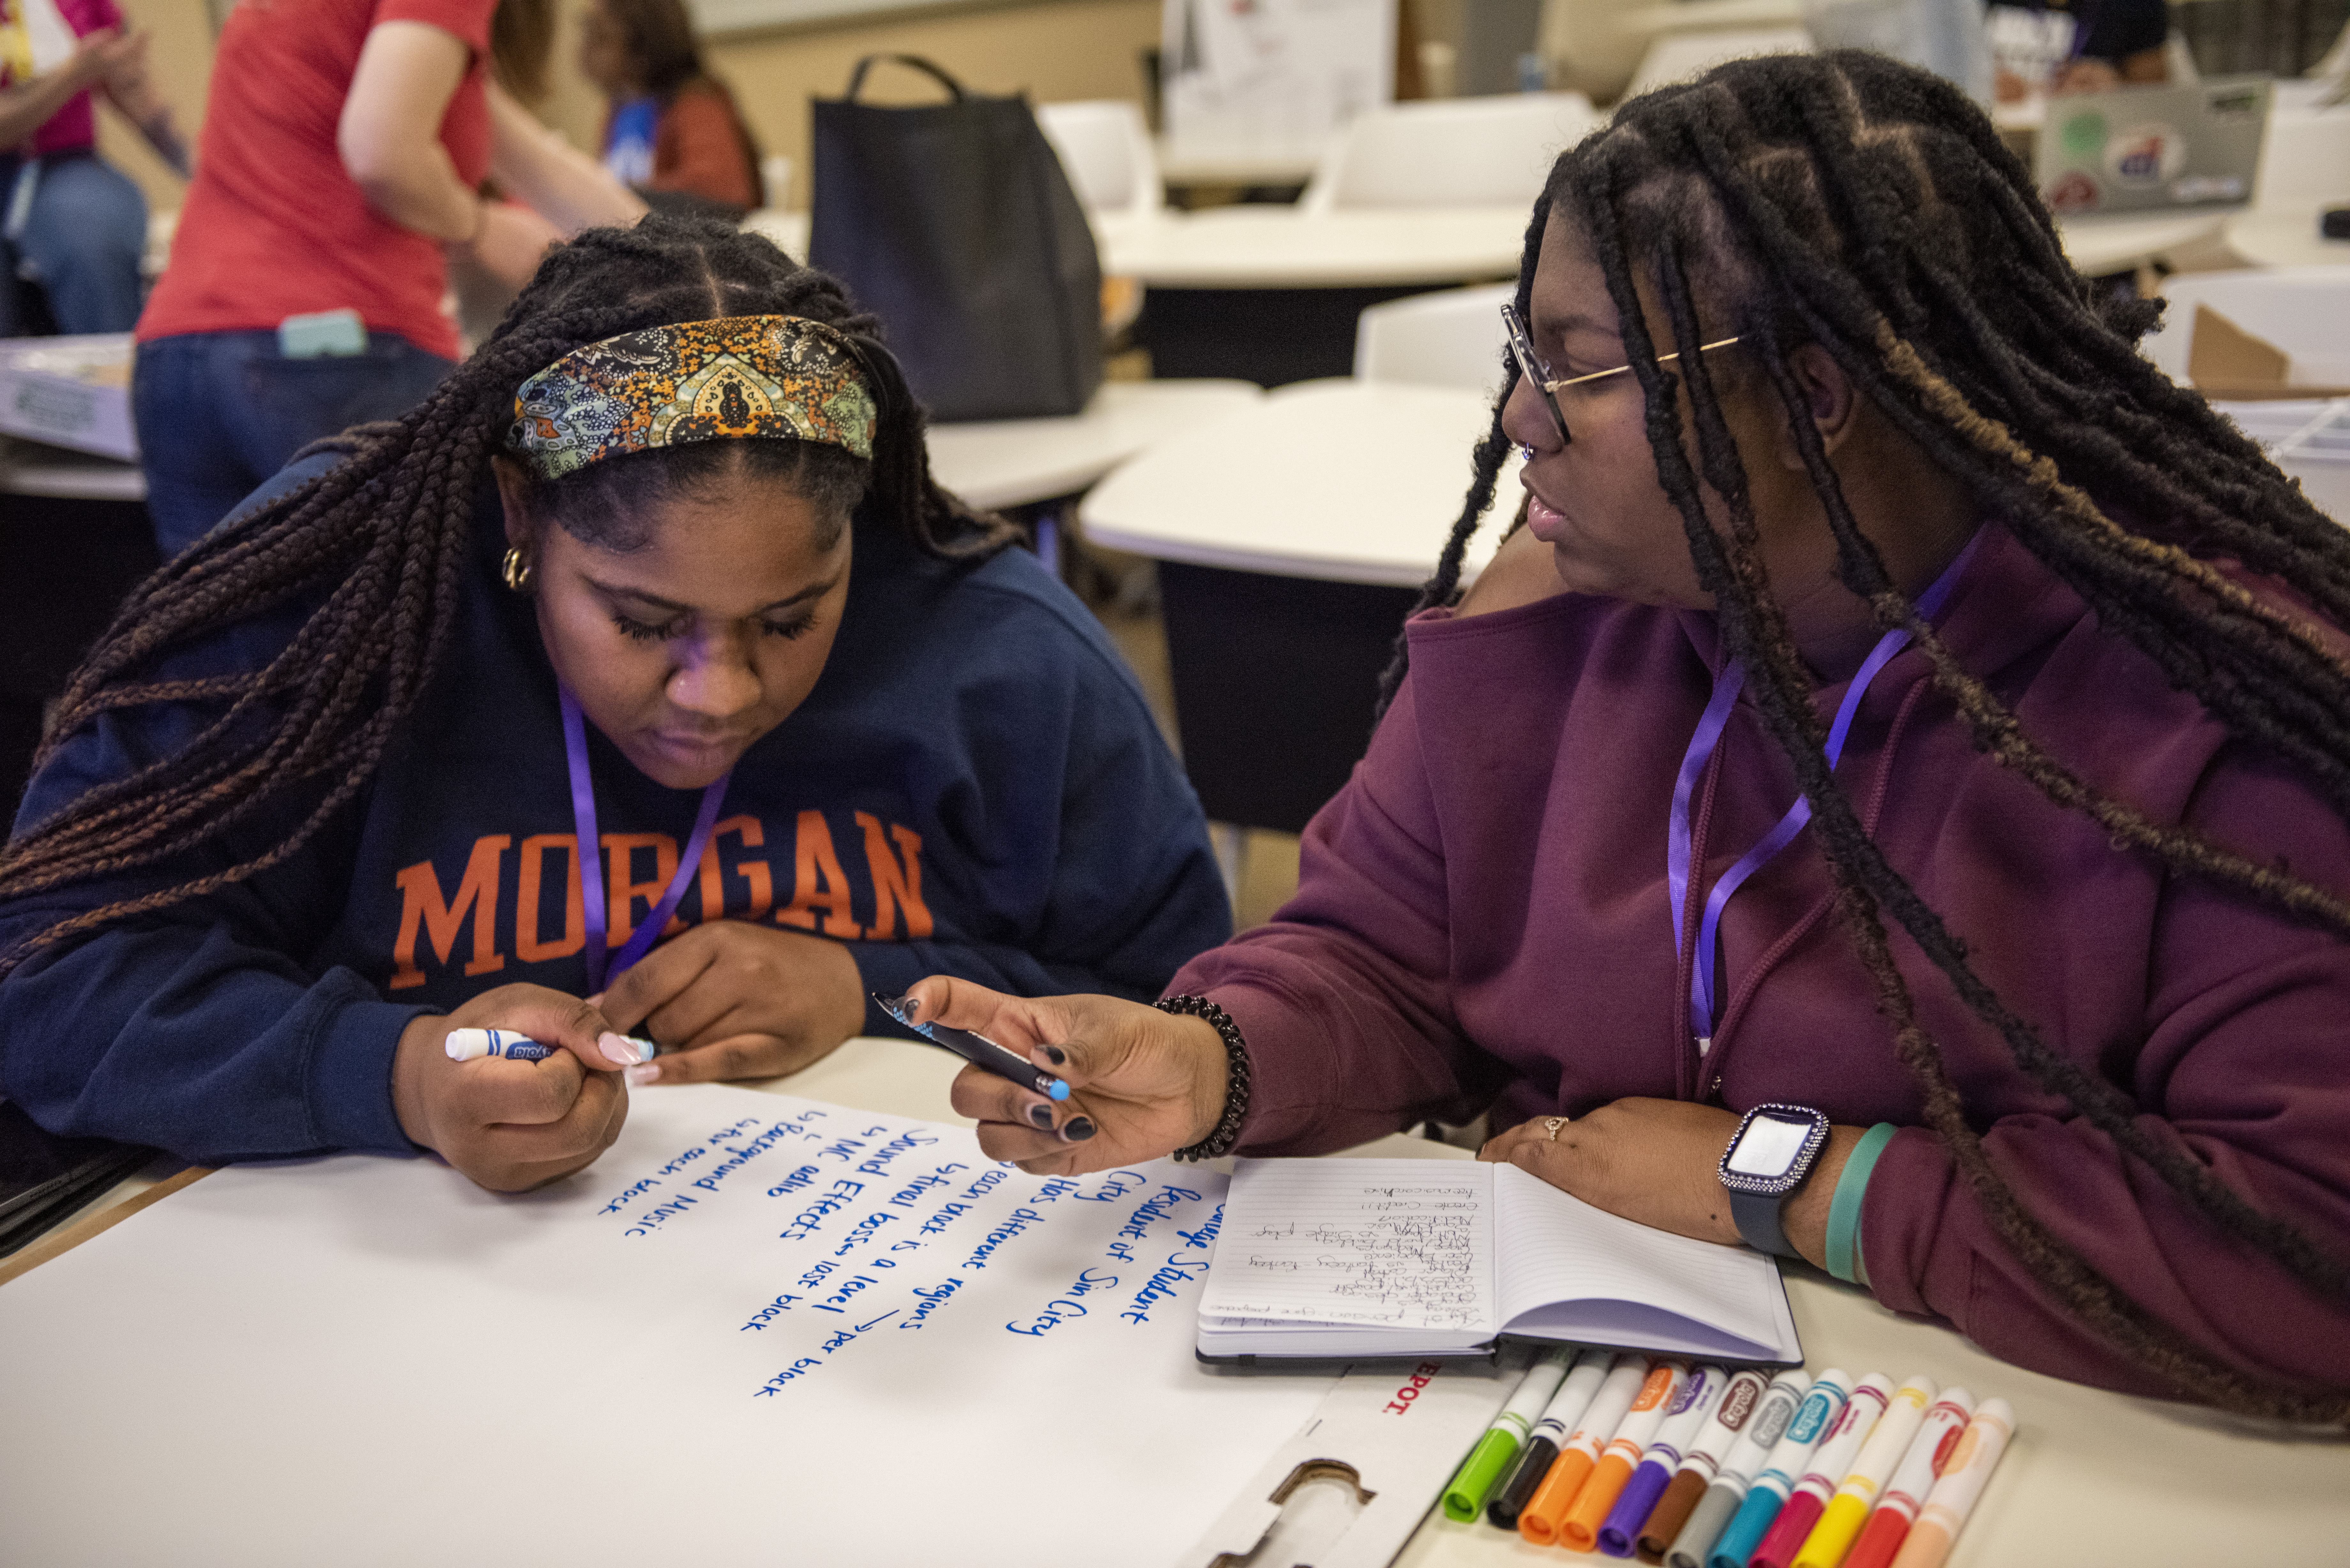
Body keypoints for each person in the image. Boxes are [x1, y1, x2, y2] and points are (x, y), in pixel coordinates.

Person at [908, 51, 2350, 1422]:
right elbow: (1381, 954)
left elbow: (2306, 1243)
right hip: (1586, 1399)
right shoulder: (1549, 615)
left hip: (1983, 1413)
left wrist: (1782, 1182)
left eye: (1580, 370)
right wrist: (1219, 1056)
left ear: (1810, 399)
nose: (1520, 418)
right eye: (1521, 354)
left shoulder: (2209, 714)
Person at [0, 216, 1231, 1195]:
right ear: (521, 513)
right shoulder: (337, 612)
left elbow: (1188, 1013)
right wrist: (397, 1074)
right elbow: (49, 972)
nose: (721, 691)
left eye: (792, 618)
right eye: (642, 622)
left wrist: (873, 984)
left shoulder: (999, 656)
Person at [132, 0, 645, 559]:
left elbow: (534, 163)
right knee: (442, 611)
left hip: (179, 358)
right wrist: (479, 227)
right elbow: (382, 149)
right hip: (332, 352)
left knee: (227, 635)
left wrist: (683, 249)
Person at [0, 0, 187, 337]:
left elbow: (132, 91)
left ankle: (120, 377)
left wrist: (209, 175)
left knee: (90, 227)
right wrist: (74, 73)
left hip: (64, 168)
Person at [577, 0, 761, 215]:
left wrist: (613, 192)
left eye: (599, 38)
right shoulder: (621, 108)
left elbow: (720, 192)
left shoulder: (696, 103)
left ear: (641, 52)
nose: (583, 51)